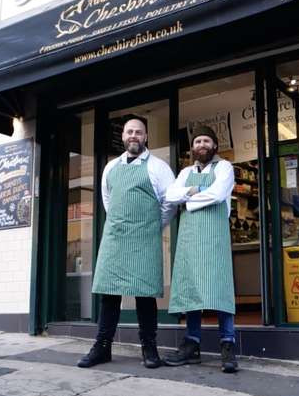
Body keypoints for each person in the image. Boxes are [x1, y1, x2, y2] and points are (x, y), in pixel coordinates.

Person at [77, 117, 175, 369]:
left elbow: (170, 203)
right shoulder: (111, 167)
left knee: (145, 295)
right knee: (109, 293)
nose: (134, 136)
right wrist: (122, 223)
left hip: (145, 238)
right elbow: (108, 201)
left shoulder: (158, 167)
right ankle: (102, 347)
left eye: (139, 132)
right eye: (129, 132)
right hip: (115, 237)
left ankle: (149, 348)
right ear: (123, 136)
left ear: (146, 136)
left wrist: (153, 226)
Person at [163, 125, 238, 373]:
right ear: (192, 148)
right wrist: (193, 191)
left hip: (214, 239)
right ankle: (192, 344)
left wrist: (189, 198)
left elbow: (217, 194)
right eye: (197, 142)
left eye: (206, 141)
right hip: (189, 240)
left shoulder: (224, 168)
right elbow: (170, 197)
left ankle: (228, 345)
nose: (202, 145)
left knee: (220, 288)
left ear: (214, 145)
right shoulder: (185, 172)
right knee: (191, 289)